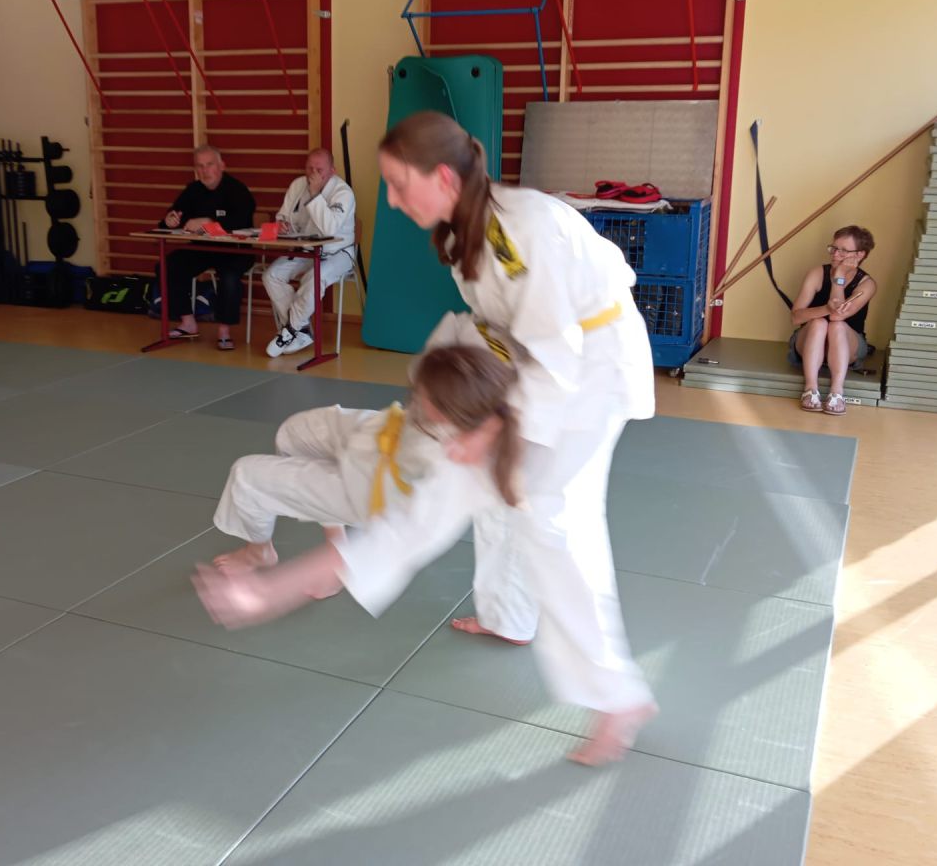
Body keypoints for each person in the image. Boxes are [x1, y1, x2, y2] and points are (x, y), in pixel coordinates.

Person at [203, 111, 657, 765]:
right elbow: (502, 332)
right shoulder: (463, 231)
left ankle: (615, 695)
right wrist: (463, 404)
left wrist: (493, 424)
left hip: (587, 373)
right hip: (531, 371)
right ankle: (519, 626)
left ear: (442, 177)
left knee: (545, 521)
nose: (390, 200)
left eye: (397, 183)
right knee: (478, 498)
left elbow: (556, 350)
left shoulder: (519, 229)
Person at [204, 345, 519, 602]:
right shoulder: (494, 403)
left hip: (374, 487)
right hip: (381, 434)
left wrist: (270, 591)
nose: (415, 395)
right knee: (292, 434)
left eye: (421, 394)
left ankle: (259, 551)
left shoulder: (449, 472)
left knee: (246, 475)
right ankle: (330, 534)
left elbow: (394, 544)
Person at [159, 145, 256, 351]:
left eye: (209, 165)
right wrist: (169, 221)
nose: (205, 171)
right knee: (169, 265)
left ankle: (224, 330)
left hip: (236, 250)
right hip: (203, 248)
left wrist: (209, 222)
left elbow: (242, 220)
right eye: (200, 166)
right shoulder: (193, 190)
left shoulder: (237, 190)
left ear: (222, 166)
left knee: (229, 276)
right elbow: (174, 215)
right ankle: (187, 322)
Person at [263, 149, 356, 357]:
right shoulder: (298, 185)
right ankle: (302, 330)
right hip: (306, 248)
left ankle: (290, 330)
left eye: (319, 170)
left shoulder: (343, 192)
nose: (313, 174)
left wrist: (315, 195)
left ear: (332, 171)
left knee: (314, 278)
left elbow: (329, 229)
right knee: (271, 275)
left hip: (338, 253)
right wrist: (283, 225)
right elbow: (283, 216)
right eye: (309, 168)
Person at [788, 225, 876, 416]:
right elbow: (796, 317)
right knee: (819, 323)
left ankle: (837, 392)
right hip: (810, 342)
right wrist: (824, 309)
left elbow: (837, 316)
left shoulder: (867, 284)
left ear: (860, 254)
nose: (835, 254)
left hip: (848, 346)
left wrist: (839, 276)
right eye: (834, 248)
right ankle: (810, 389)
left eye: (843, 250)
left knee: (836, 325)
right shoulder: (817, 273)